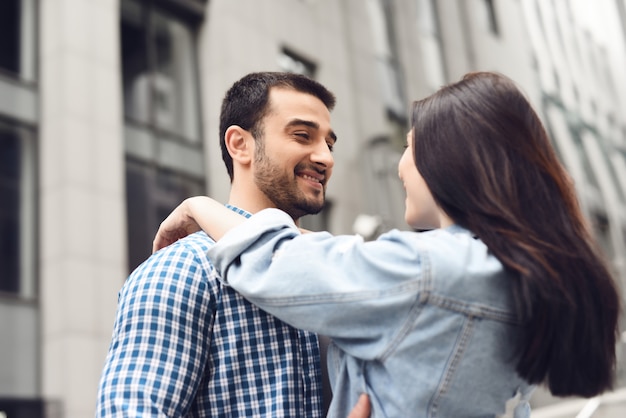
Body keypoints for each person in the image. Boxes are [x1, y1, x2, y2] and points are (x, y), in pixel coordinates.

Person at [153, 71, 621, 417]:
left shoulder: (430, 270)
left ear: (451, 162)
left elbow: (275, 262)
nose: (400, 165)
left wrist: (198, 206)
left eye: (410, 146)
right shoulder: (513, 274)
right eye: (303, 135)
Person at [97, 71, 369, 417]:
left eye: (329, 144)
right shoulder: (182, 269)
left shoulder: (334, 271)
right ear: (240, 144)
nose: (326, 158)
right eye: (303, 136)